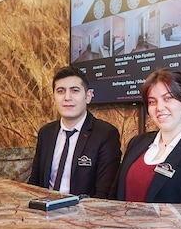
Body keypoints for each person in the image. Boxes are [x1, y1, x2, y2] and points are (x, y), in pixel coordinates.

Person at [116, 69, 181, 203]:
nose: (159, 108)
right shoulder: (136, 142)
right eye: (152, 101)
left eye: (168, 98)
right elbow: (115, 196)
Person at [28, 66, 121, 198]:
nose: (67, 97)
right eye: (61, 91)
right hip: (45, 208)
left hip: (84, 210)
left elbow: (104, 194)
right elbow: (34, 183)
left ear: (88, 96)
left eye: (75, 90)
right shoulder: (46, 133)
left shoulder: (105, 134)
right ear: (53, 98)